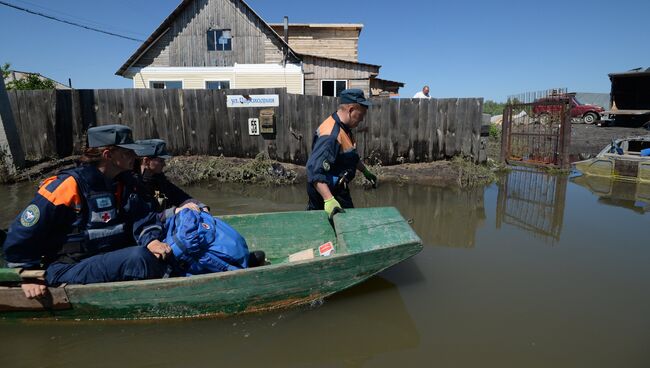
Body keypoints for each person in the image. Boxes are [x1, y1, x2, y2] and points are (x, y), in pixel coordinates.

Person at [3, 124, 171, 299]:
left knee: (171, 246)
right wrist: (27, 274)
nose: (134, 156)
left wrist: (151, 240)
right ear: (108, 155)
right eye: (127, 152)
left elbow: (142, 217)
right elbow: (22, 232)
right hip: (68, 267)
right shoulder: (67, 186)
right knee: (138, 257)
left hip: (105, 258)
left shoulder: (125, 183)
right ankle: (165, 295)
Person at [306, 89, 378, 217]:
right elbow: (314, 170)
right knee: (326, 229)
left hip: (339, 188)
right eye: (361, 115)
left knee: (349, 225)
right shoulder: (331, 135)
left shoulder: (345, 128)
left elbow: (350, 156)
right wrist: (328, 200)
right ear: (351, 110)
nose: (361, 120)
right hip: (326, 193)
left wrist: (365, 171)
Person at [133, 139, 209, 222]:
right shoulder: (133, 186)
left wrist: (200, 206)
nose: (164, 164)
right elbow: (144, 218)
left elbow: (180, 197)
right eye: (161, 161)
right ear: (146, 161)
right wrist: (175, 211)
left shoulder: (158, 180)